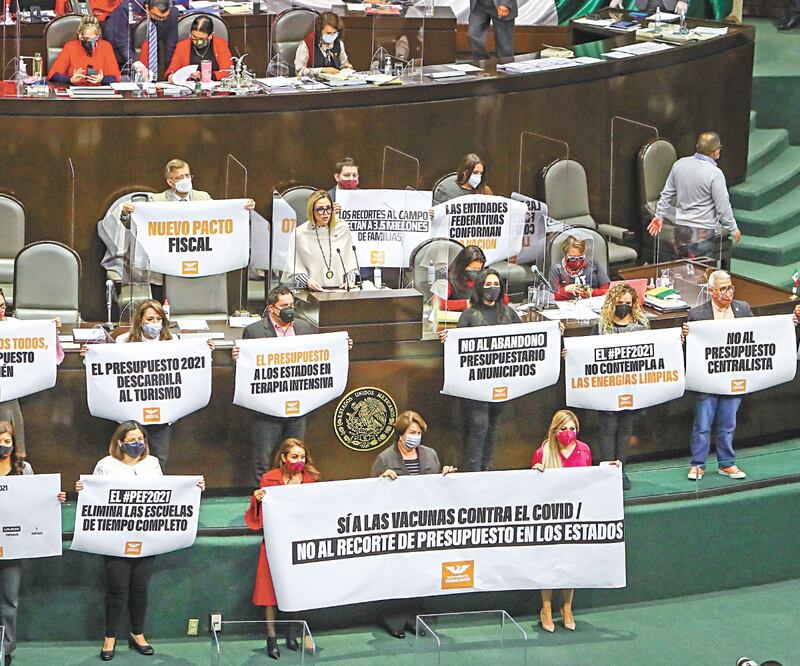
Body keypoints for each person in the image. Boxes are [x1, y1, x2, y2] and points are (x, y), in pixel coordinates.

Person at [75, 420, 205, 661]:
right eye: (132, 440)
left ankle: (137, 634)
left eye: (140, 439)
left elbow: (166, 494)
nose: (137, 443)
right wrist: (83, 489)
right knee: (116, 589)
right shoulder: (105, 465)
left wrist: (193, 487)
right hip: (114, 537)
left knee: (140, 588)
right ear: (120, 442)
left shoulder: (152, 463)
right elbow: (94, 495)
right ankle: (110, 637)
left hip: (146, 536)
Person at [531, 409, 620, 632]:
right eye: (564, 428)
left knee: (572, 561)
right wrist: (536, 472)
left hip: (576, 516)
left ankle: (567, 607)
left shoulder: (584, 450)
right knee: (549, 562)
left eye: (572, 429)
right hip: (551, 516)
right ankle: (546, 608)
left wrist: (609, 470)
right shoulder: (543, 452)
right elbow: (532, 487)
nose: (568, 433)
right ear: (555, 430)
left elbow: (589, 479)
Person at [371, 411, 456, 638]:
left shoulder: (430, 455)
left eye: (418, 433)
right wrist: (381, 480)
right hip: (395, 526)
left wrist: (445, 475)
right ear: (401, 434)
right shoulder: (385, 458)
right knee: (397, 572)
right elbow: (370, 492)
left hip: (422, 524)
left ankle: (414, 618)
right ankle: (395, 620)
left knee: (418, 573)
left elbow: (436, 486)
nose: (415, 437)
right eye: (411, 432)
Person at [244, 438, 320, 659]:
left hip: (300, 543)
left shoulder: (311, 480)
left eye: (302, 457)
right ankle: (271, 638)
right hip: (274, 543)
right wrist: (257, 500)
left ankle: (292, 634)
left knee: (297, 589)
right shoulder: (269, 479)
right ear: (284, 457)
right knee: (269, 593)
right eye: (294, 457)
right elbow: (256, 519)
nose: (299, 461)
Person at [439, 268, 521, 471]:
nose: (493, 288)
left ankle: (486, 468)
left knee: (493, 426)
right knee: (479, 426)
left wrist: (555, 331)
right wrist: (448, 339)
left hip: (500, 380)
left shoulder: (509, 313)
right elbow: (458, 345)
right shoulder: (469, 315)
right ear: (480, 287)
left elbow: (526, 337)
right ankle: (473, 471)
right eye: (488, 284)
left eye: (496, 285)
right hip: (475, 383)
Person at [0, 421, 66, 666]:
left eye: (7, 441)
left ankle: (5, 648)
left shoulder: (23, 469)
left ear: (14, 444)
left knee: (9, 600)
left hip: (13, 545)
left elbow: (35, 499)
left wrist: (54, 498)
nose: (3, 445)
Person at [683, 270, 752, 481]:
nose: (728, 292)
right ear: (712, 291)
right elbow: (690, 349)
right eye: (723, 289)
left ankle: (727, 464)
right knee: (702, 426)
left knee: (728, 425)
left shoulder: (743, 309)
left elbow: (757, 334)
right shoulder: (697, 314)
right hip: (708, 380)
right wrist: (685, 337)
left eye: (730, 287)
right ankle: (698, 464)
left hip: (733, 377)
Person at [591, 283, 650, 490]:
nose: (624, 306)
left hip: (631, 386)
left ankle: (621, 469)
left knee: (625, 427)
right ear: (612, 303)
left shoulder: (642, 325)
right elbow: (588, 352)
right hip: (606, 386)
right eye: (620, 302)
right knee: (608, 427)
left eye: (628, 302)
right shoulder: (601, 326)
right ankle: (608, 470)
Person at [648, 132, 741, 261]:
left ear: (697, 146)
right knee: (700, 270)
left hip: (681, 229)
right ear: (716, 152)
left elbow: (666, 194)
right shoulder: (715, 173)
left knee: (681, 268)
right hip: (702, 231)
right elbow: (723, 206)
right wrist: (733, 228)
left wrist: (659, 216)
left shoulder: (679, 164)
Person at [290, 190, 358, 291]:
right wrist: (307, 281)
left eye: (328, 208)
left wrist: (350, 280)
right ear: (312, 211)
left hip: (341, 291)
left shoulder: (342, 228)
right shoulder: (300, 233)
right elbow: (293, 268)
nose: (325, 213)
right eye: (320, 209)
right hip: (312, 291)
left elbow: (351, 263)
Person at [105, 0, 178, 77]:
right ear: (147, 8)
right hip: (123, 56)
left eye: (164, 17)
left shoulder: (172, 12)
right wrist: (136, 63)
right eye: (157, 16)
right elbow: (122, 43)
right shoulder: (127, 8)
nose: (161, 20)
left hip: (153, 57)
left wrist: (171, 72)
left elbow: (171, 45)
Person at [47, 16, 121, 86]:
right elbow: (53, 75)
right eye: (85, 38)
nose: (89, 42)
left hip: (99, 90)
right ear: (79, 35)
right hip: (75, 89)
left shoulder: (106, 46)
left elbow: (115, 77)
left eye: (92, 39)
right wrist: (70, 79)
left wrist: (102, 79)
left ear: (98, 36)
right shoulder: (70, 46)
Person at [166, 15, 233, 82]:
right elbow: (172, 70)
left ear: (210, 36)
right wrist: (170, 76)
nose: (197, 41)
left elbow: (227, 71)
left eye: (202, 39)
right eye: (194, 37)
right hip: (189, 86)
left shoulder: (220, 44)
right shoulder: (182, 46)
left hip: (214, 85)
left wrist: (204, 76)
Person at [549, 235, 610, 301]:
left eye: (580, 258)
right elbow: (552, 297)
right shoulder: (557, 269)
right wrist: (566, 290)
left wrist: (592, 292)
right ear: (565, 255)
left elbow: (607, 291)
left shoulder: (593, 265)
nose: (577, 262)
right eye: (572, 258)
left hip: (592, 302)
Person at [294, 12, 352, 78]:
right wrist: (321, 70)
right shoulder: (308, 43)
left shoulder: (338, 43)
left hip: (334, 81)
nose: (332, 36)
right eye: (328, 33)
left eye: (334, 33)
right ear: (319, 31)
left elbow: (344, 64)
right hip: (313, 82)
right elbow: (299, 70)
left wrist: (347, 67)